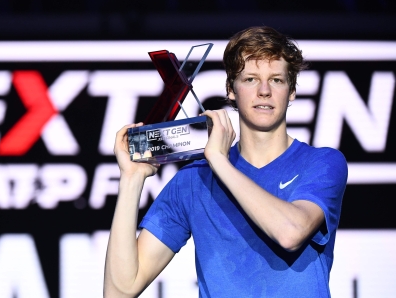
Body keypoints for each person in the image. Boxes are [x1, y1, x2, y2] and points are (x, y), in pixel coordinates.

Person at [104, 26, 348, 297]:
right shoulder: (194, 180)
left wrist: (220, 160)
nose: (264, 91)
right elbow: (120, 291)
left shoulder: (322, 163)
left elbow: (291, 233)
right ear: (231, 89)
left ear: (291, 91)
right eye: (251, 79)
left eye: (277, 80)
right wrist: (131, 179)